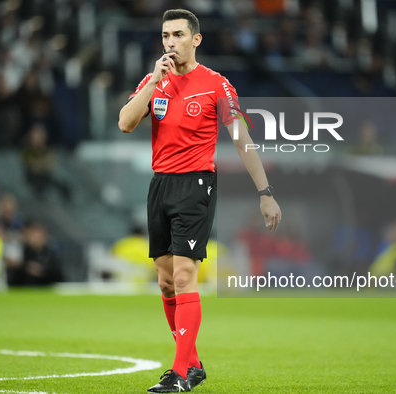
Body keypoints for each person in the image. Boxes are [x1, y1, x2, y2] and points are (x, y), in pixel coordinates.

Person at [118, 9, 281, 393]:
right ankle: (191, 364)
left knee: (185, 274)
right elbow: (125, 123)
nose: (170, 42)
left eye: (177, 34)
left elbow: (242, 140)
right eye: (164, 36)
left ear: (196, 39)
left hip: (196, 185)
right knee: (165, 280)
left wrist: (265, 192)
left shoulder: (216, 85)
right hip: (160, 184)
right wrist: (152, 82)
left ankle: (178, 373)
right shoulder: (153, 81)